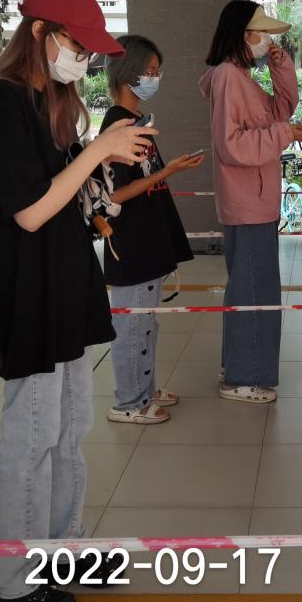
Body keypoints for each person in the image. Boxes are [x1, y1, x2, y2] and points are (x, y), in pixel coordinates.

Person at [0, 0, 156, 602]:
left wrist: (96, 162)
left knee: (70, 429)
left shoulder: (48, 101)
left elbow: (67, 188)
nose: (86, 59)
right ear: (41, 33)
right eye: (79, 46)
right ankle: (14, 584)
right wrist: (98, 148)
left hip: (68, 283)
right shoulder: (2, 103)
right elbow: (29, 211)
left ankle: (61, 550)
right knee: (32, 436)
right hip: (30, 293)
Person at [200, 0, 302, 404]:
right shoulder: (229, 77)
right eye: (261, 33)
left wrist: (279, 66)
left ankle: (237, 366)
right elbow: (232, 146)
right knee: (253, 292)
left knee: (249, 288)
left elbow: (281, 109)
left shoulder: (240, 77)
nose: (267, 40)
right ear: (242, 35)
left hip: (254, 201)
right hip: (248, 202)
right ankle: (243, 377)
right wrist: (284, 135)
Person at [100, 35, 204, 424]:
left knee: (145, 323)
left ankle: (144, 388)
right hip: (132, 243)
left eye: (157, 72)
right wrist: (168, 171)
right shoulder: (118, 126)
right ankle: (128, 402)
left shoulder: (135, 120)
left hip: (148, 240)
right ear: (129, 73)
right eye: (150, 72)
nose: (155, 79)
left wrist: (167, 170)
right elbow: (116, 193)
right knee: (131, 325)